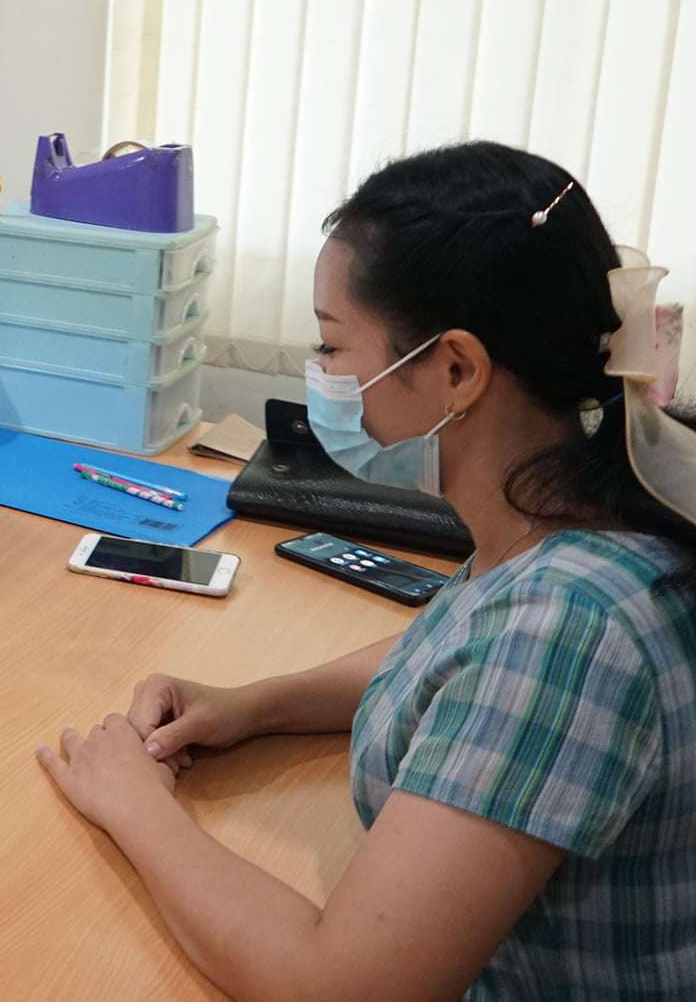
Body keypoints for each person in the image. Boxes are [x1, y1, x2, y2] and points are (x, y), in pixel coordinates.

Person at [36, 142, 696, 997]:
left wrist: (136, 804)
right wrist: (255, 705)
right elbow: (451, 656)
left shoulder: (570, 625)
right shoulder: (564, 513)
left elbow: (341, 984)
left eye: (332, 344)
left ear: (457, 369)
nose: (323, 376)